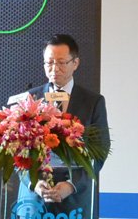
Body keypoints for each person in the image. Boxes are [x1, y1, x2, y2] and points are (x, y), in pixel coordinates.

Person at [17, 34, 110, 219]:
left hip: (74, 201)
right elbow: (16, 150)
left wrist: (71, 185)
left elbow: (100, 151)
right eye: (49, 63)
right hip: (34, 201)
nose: (54, 69)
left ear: (75, 63)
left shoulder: (93, 102)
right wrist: (34, 182)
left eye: (61, 63)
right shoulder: (30, 99)